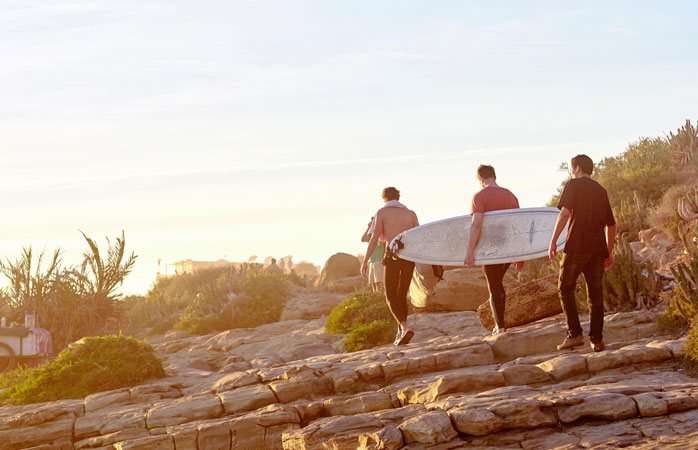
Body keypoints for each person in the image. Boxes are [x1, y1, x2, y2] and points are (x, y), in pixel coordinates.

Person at [548, 154, 615, 352]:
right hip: (597, 249)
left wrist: (553, 241)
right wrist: (608, 252)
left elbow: (565, 213)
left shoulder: (573, 184)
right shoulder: (600, 190)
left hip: (577, 246)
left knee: (565, 288)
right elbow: (611, 224)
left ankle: (574, 334)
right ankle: (597, 340)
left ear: (576, 168)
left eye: (572, 168)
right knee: (595, 294)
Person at [465, 164, 524, 335]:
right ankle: (501, 324)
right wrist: (521, 255)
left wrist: (470, 252)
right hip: (508, 249)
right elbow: (518, 226)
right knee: (497, 283)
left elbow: (476, 225)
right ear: (494, 176)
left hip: (489, 251)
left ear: (481, 179)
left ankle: (500, 327)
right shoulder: (510, 196)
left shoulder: (479, 196)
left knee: (494, 285)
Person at [361, 187, 419, 346]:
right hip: (409, 258)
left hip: (392, 256)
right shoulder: (411, 214)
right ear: (398, 197)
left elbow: (374, 240)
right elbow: (418, 238)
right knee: (401, 295)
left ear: (384, 198)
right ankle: (401, 331)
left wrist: (365, 261)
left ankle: (404, 327)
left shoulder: (382, 213)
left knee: (390, 295)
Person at [361, 217, 385, 291]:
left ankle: (380, 298)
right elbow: (363, 239)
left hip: (379, 260)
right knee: (373, 283)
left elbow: (380, 243)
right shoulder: (371, 235)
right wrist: (368, 228)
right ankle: (375, 298)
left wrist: (377, 231)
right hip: (371, 261)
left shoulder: (382, 233)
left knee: (379, 282)